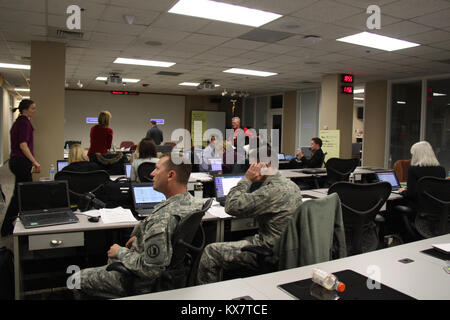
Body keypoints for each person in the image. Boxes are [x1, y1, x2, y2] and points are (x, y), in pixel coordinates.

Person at [71, 153, 202, 298]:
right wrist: (143, 238)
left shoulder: (163, 218)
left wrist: (120, 251)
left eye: (157, 169)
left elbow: (150, 269)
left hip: (142, 282)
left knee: (76, 279)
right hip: (173, 274)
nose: (152, 174)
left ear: (170, 175)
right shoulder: (192, 202)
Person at [197, 147, 303, 284]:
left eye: (253, 165)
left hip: (270, 251)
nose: (251, 169)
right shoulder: (292, 185)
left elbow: (231, 206)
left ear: (265, 164)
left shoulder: (270, 191)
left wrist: (247, 179)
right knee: (244, 237)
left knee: (210, 252)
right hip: (288, 248)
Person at [1, 100, 40, 237]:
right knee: (22, 195)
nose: (35, 110)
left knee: (20, 195)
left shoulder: (19, 122)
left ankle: (9, 226)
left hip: (16, 162)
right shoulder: (24, 123)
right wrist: (35, 162)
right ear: (25, 110)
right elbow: (23, 145)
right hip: (21, 162)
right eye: (33, 108)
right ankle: (8, 227)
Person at [398, 141, 446, 206]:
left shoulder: (413, 169)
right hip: (438, 207)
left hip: (418, 207)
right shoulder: (441, 170)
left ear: (416, 155)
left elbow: (410, 195)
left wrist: (402, 191)